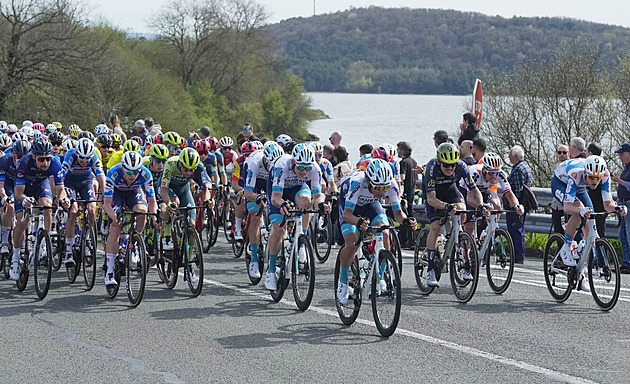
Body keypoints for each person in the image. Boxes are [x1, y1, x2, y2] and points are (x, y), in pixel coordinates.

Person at [336, 159, 416, 304]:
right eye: (379, 189)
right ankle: (342, 281)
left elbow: (398, 214)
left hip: (370, 204)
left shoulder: (390, 185)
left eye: (384, 188)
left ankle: (380, 278)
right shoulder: (357, 182)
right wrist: (359, 222)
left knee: (385, 232)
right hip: (349, 206)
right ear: (368, 181)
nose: (383, 192)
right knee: (353, 241)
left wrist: (406, 221)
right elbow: (347, 214)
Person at [552, 155, 625, 292]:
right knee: (578, 208)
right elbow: (567, 207)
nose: (594, 181)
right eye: (591, 177)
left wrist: (618, 208)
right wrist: (579, 210)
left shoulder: (605, 175)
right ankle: (567, 246)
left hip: (580, 186)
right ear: (586, 172)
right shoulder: (576, 173)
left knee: (589, 215)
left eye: (597, 178)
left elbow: (607, 203)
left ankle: (581, 271)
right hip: (561, 182)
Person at [265, 143, 329, 290]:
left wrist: (321, 205)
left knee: (306, 202)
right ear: (293, 162)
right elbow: (275, 197)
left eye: (307, 168)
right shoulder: (281, 166)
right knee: (279, 229)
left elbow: (318, 196)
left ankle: (301, 240)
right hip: (277, 192)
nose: (304, 171)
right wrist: (281, 205)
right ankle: (271, 270)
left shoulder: (315, 169)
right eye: (300, 167)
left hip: (297, 189)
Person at [423, 142, 488, 287]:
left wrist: (481, 204)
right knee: (436, 227)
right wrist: (445, 206)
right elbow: (431, 199)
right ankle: (431, 268)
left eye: (453, 165)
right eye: (446, 165)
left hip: (450, 190)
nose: (450, 168)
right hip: (434, 195)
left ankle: (458, 246)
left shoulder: (461, 166)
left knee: (462, 210)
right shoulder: (432, 167)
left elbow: (474, 189)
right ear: (439, 161)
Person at [10, 140, 71, 280]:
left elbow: (60, 189)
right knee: (22, 221)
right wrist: (24, 199)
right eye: (41, 159)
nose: (45, 163)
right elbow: (18, 193)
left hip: (40, 185)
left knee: (47, 206)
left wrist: (63, 199)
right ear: (34, 157)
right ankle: (15, 256)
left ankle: (45, 242)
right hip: (24, 187)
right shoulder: (24, 163)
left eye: (48, 159)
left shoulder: (55, 163)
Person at [103, 151, 159, 285]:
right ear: (123, 168)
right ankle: (110, 271)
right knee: (116, 227)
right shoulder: (113, 173)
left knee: (142, 212)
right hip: (116, 194)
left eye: (135, 172)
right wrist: (114, 218)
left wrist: (155, 218)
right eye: (129, 172)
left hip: (133, 193)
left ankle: (135, 241)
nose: (132, 175)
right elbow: (106, 204)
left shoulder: (145, 174)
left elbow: (152, 201)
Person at [61, 138, 105, 266]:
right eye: (81, 159)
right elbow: (61, 176)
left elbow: (100, 175)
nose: (84, 161)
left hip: (86, 182)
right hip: (70, 182)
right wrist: (61, 193)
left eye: (87, 159)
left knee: (92, 210)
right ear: (76, 154)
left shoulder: (94, 156)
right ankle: (68, 250)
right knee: (73, 211)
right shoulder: (70, 155)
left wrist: (103, 194)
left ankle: (86, 238)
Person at [243, 141, 284, 279]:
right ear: (265, 159)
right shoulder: (253, 163)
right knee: (255, 215)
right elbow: (248, 192)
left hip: (271, 182)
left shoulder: (280, 166)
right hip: (255, 182)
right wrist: (258, 197)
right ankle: (254, 258)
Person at [506, 146, 532, 264]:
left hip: (517, 205)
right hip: (524, 204)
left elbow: (517, 190)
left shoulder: (517, 170)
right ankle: (519, 255)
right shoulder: (526, 166)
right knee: (520, 230)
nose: (509, 157)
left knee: (515, 230)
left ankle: (517, 255)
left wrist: (514, 204)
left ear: (515, 156)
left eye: (510, 155)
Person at [611, 143, 630, 273]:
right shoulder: (626, 168)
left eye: (622, 154)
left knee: (629, 235)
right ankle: (626, 262)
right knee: (622, 235)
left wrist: (619, 181)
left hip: (629, 204)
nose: (620, 157)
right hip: (623, 203)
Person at [397, 141, 418, 248]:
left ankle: (404, 240)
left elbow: (402, 178)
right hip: (412, 191)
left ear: (403, 151)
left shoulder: (403, 162)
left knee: (404, 217)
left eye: (398, 149)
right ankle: (412, 239)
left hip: (405, 193)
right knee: (411, 214)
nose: (397, 152)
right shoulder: (413, 162)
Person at [586, 142, 606, 237]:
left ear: (589, 152)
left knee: (598, 235)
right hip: (589, 204)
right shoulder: (584, 166)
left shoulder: (604, 169)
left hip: (598, 206)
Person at [551, 144, 569, 234]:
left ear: (568, 153)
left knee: (567, 230)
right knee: (557, 230)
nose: (562, 154)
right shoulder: (556, 167)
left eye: (564, 152)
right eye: (559, 152)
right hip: (556, 204)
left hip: (567, 205)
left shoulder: (571, 166)